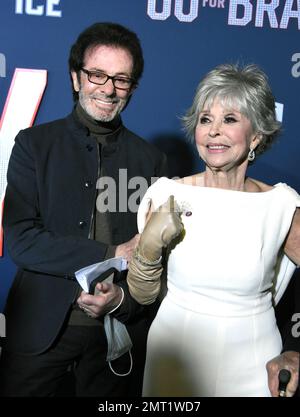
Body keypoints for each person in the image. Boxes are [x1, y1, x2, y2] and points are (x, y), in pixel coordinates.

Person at [0, 22, 167, 397]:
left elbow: (158, 260)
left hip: (117, 339)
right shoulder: (33, 145)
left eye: (121, 80)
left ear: (132, 89)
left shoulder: (152, 160)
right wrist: (112, 253)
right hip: (39, 333)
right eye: (97, 75)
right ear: (77, 78)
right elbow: (22, 241)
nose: (108, 88)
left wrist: (121, 299)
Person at [126, 63, 300, 397]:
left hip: (254, 365)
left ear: (257, 136)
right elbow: (142, 295)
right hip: (174, 361)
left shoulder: (281, 206)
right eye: (205, 119)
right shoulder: (165, 195)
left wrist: (296, 348)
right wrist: (147, 250)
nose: (213, 131)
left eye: (230, 119)